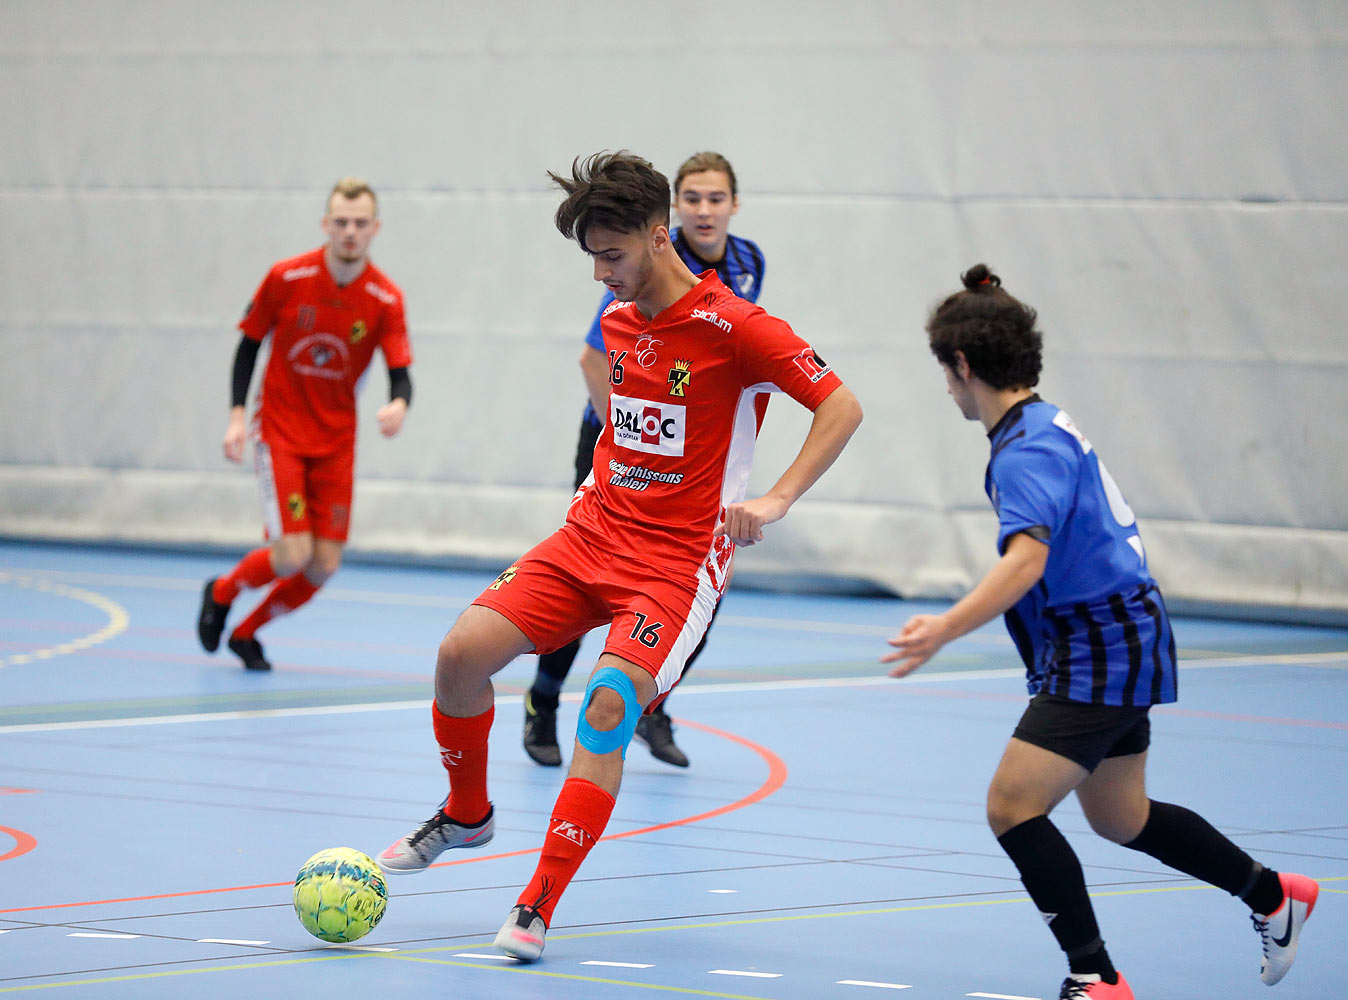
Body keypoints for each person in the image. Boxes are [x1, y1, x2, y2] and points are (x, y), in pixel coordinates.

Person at [376, 151, 862, 963]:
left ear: (658, 235)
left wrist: (775, 498)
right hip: (591, 535)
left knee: (606, 705)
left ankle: (537, 902)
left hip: (675, 564)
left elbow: (841, 404)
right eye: (592, 258)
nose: (602, 275)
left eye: (613, 255)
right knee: (460, 654)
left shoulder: (738, 327)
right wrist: (606, 470)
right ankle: (466, 815)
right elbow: (623, 406)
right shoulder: (616, 320)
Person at [882, 265, 1317, 999]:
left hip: (1101, 644)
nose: (946, 390)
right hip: (1117, 633)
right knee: (1122, 816)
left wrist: (945, 629)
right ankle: (1273, 895)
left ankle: (1096, 977)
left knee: (1011, 807)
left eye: (945, 373)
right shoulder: (1044, 421)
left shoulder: (1026, 452)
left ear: (962, 366)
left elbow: (1027, 560)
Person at [522, 151, 766, 770]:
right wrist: (635, 438)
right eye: (693, 198)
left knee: (694, 595)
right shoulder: (638, 259)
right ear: (673, 214)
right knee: (588, 579)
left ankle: (648, 706)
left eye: (716, 198)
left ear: (734, 204)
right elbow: (592, 358)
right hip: (618, 433)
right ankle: (543, 702)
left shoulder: (748, 264)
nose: (705, 210)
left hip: (694, 450)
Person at [195, 177, 413, 671]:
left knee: (324, 564)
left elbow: (402, 375)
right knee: (292, 554)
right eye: (341, 222)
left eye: (360, 223)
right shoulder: (286, 278)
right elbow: (248, 345)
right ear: (325, 225)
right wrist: (235, 418)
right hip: (280, 432)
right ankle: (223, 591)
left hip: (337, 440)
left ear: (375, 229)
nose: (350, 232)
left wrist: (399, 405)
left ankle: (247, 633)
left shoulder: (385, 298)